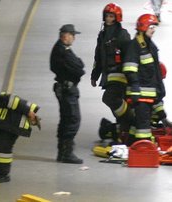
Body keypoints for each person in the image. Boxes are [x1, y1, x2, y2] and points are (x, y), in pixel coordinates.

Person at [91, 3, 132, 143]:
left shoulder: (122, 35)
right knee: (115, 104)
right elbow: (98, 56)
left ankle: (129, 120)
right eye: (107, 16)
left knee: (109, 99)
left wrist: (132, 77)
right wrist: (94, 75)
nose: (108, 19)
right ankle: (123, 128)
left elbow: (130, 56)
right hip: (109, 76)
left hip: (121, 76)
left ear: (117, 18)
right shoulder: (102, 35)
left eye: (111, 16)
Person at [122, 14, 166, 145]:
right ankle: (144, 148)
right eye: (151, 27)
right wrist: (135, 88)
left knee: (138, 123)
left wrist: (159, 91)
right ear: (143, 27)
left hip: (148, 95)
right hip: (141, 95)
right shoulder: (135, 46)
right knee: (143, 126)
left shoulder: (149, 45)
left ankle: (130, 144)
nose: (153, 30)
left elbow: (155, 73)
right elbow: (130, 68)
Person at [50, 24, 85, 164]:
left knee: (66, 119)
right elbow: (79, 69)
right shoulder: (62, 51)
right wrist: (78, 64)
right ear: (66, 35)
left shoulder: (61, 49)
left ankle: (63, 151)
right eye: (72, 35)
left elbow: (78, 65)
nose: (74, 38)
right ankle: (66, 152)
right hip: (67, 90)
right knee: (72, 119)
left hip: (65, 88)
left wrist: (78, 64)